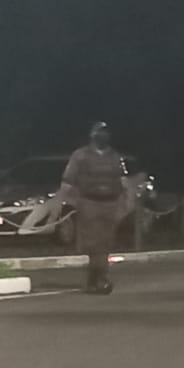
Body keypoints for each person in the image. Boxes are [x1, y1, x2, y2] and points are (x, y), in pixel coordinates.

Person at [58, 122, 128, 294]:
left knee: (105, 242)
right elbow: (68, 181)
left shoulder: (115, 156)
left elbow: (123, 181)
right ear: (92, 135)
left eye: (106, 132)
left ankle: (94, 279)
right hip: (89, 202)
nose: (103, 135)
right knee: (94, 242)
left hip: (110, 203)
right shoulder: (81, 155)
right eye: (100, 132)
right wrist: (62, 202)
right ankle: (101, 278)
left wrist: (125, 203)